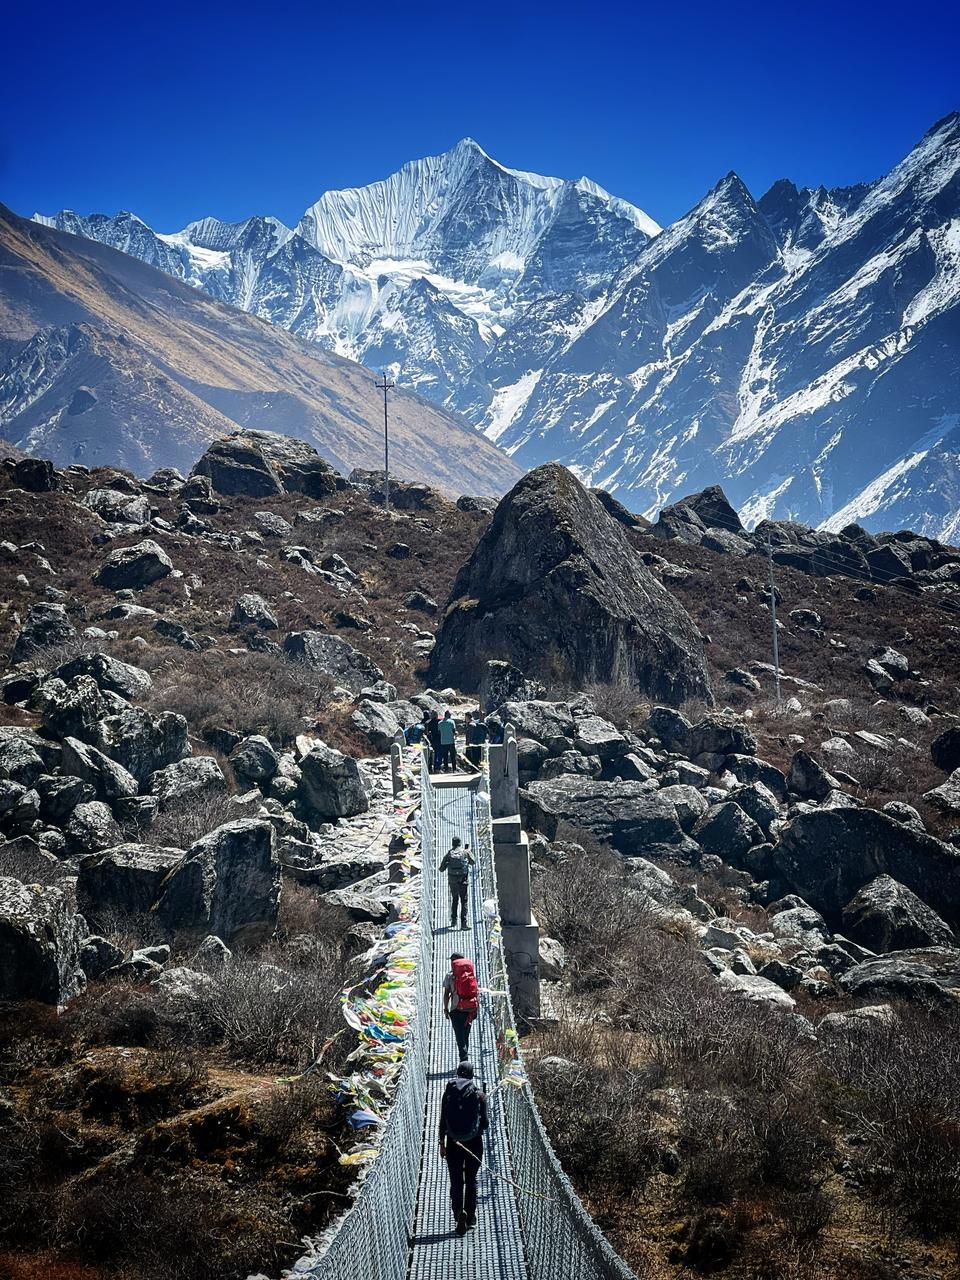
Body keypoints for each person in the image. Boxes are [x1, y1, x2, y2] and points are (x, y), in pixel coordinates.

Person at [439, 1061, 488, 1236]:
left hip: (453, 1143)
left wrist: (442, 1143)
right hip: (474, 1143)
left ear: (458, 1074)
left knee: (456, 1181)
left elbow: (443, 1120)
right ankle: (471, 1216)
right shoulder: (479, 1094)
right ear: (472, 1075)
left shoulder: (448, 1093)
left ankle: (458, 1211)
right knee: (471, 1180)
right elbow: (485, 1124)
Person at [443, 951, 479, 1061]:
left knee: (459, 1037)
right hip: (470, 1008)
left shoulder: (450, 976)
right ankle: (465, 1060)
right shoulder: (470, 973)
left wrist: (445, 1009)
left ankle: (464, 1061)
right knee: (465, 1035)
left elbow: (446, 994)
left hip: (456, 1009)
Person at [439, 836, 475, 930]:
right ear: (460, 843)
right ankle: (463, 923)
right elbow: (473, 862)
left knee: (455, 899)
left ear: (452, 844)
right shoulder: (465, 852)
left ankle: (453, 920)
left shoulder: (449, 853)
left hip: (452, 880)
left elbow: (441, 869)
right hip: (463, 879)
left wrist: (448, 864)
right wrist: (469, 852)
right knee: (464, 901)